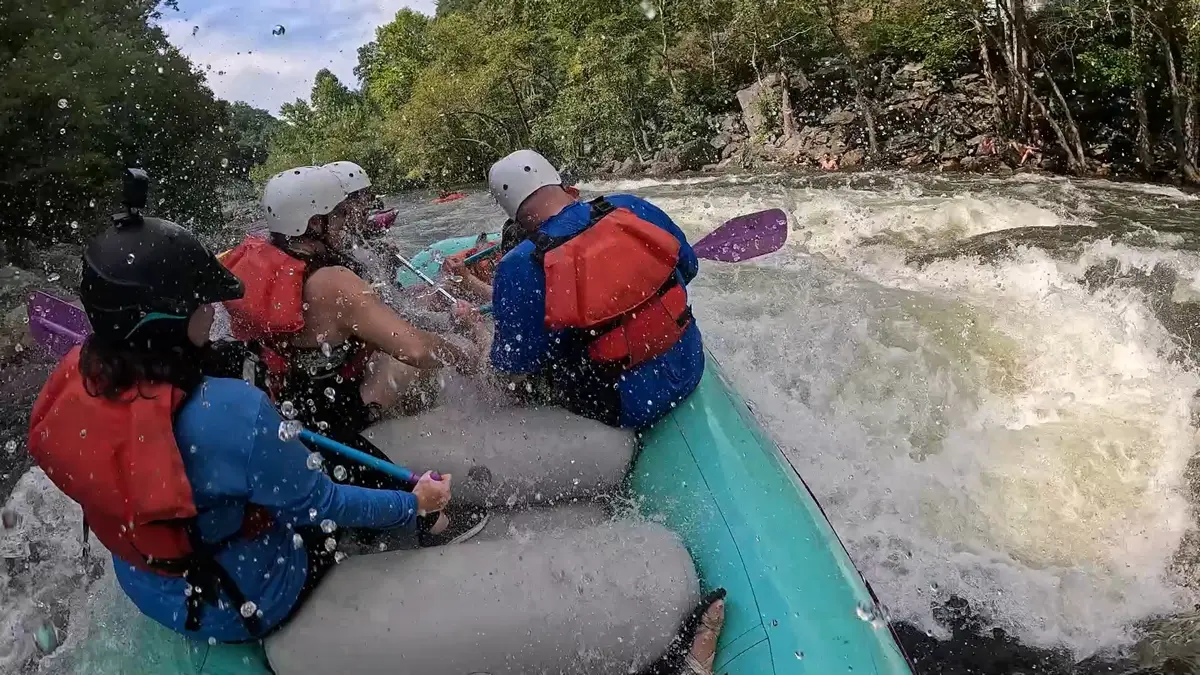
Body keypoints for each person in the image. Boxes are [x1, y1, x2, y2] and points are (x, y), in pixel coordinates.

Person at [25, 169, 455, 644]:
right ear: (168, 320)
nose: (214, 311)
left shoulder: (76, 373)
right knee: (352, 495)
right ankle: (432, 521)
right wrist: (412, 502)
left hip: (146, 582)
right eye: (202, 304)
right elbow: (324, 503)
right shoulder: (233, 411)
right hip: (241, 600)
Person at [218, 165, 489, 541]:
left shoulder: (255, 262)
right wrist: (467, 357)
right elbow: (415, 348)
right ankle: (430, 522)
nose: (349, 222)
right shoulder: (332, 281)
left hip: (287, 404)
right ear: (314, 223)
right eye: (341, 214)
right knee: (411, 358)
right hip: (333, 417)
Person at [485, 150, 704, 429]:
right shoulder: (630, 206)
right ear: (558, 181)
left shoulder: (518, 265)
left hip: (625, 406)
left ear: (512, 213)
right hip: (692, 363)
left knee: (513, 383)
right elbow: (689, 268)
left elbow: (516, 364)